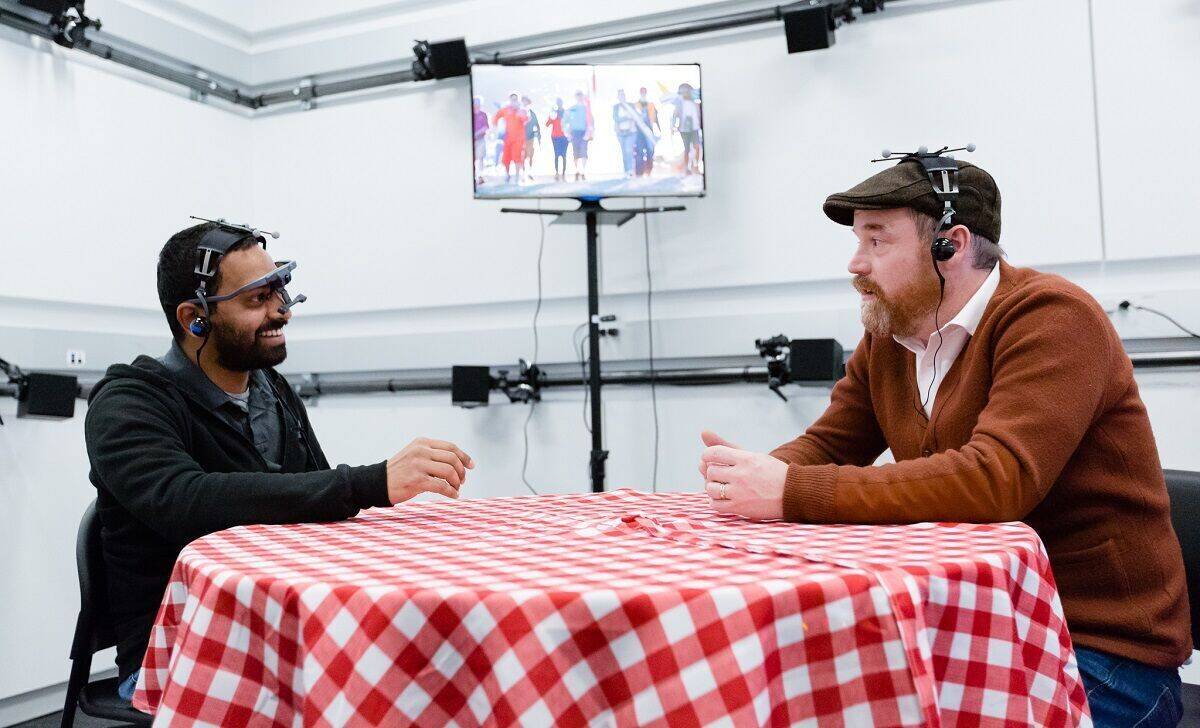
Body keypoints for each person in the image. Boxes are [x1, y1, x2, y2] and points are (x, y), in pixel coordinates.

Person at [696, 158, 1190, 727]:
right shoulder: (891, 333)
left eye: (877, 241)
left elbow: (995, 479)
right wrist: (754, 474)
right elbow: (830, 445)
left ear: (950, 246)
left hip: (1098, 652)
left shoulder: (1051, 317)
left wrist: (790, 490)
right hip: (974, 627)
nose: (856, 263)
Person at [86, 220, 475, 704]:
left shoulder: (270, 389)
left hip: (279, 630)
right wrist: (372, 483)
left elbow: (311, 499)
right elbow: (187, 500)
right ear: (194, 319)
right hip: (179, 653)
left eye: (281, 292)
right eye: (257, 300)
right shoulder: (128, 404)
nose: (281, 312)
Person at [491, 92, 529, 184]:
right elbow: (496, 117)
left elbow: (526, 120)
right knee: (505, 159)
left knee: (517, 157)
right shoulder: (506, 109)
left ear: (518, 100)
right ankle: (507, 175)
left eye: (515, 99)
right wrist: (495, 126)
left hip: (518, 139)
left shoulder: (522, 110)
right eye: (512, 99)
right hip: (507, 138)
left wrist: (521, 114)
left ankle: (516, 177)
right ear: (510, 100)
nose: (513, 101)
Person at [670, 83, 702, 175]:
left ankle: (695, 166)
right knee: (687, 149)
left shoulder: (695, 103)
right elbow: (674, 116)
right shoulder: (680, 104)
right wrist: (673, 127)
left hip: (694, 128)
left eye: (686, 91)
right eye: (683, 91)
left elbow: (699, 115)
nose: (685, 93)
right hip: (684, 129)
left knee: (697, 147)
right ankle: (687, 168)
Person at [564, 90, 593, 181]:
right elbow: (565, 121)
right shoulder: (571, 108)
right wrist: (567, 133)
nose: (579, 97)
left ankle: (583, 171)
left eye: (581, 96)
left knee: (584, 152)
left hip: (584, 132)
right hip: (574, 133)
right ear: (575, 97)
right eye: (577, 96)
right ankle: (577, 171)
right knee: (575, 153)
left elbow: (591, 122)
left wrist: (589, 132)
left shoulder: (586, 109)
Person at [633, 86, 661, 176]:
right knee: (640, 151)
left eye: (644, 92)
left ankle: (648, 170)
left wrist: (659, 130)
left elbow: (656, 118)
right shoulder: (636, 105)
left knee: (650, 151)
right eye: (642, 92)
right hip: (639, 132)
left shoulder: (651, 105)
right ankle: (639, 171)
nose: (643, 94)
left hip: (649, 131)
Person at [612, 89, 639, 178]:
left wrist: (627, 118)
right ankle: (626, 171)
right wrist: (627, 117)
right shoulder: (616, 107)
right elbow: (616, 118)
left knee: (629, 150)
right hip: (620, 132)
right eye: (620, 95)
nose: (622, 96)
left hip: (631, 132)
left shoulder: (631, 105)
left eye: (623, 95)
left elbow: (635, 116)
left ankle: (631, 170)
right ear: (618, 97)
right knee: (624, 152)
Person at [545, 98, 569, 181]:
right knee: (556, 155)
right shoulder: (554, 113)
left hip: (565, 136)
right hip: (555, 136)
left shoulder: (566, 112)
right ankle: (557, 172)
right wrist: (551, 116)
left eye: (560, 102)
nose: (559, 104)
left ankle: (563, 173)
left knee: (564, 155)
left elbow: (570, 123)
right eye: (558, 103)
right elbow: (547, 124)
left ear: (562, 103)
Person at [521, 96, 541, 180]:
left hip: (530, 137)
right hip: (521, 138)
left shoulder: (532, 113)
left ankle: (530, 172)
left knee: (530, 155)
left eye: (526, 102)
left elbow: (537, 125)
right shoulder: (519, 112)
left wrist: (538, 135)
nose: (525, 103)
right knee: (522, 156)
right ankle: (523, 173)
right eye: (523, 102)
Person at [472, 96, 489, 186]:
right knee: (473, 159)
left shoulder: (483, 114)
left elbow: (486, 127)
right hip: (471, 140)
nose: (476, 105)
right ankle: (474, 177)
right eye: (475, 103)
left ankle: (480, 176)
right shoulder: (470, 113)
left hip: (481, 139)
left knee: (481, 158)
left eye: (478, 104)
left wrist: (478, 133)